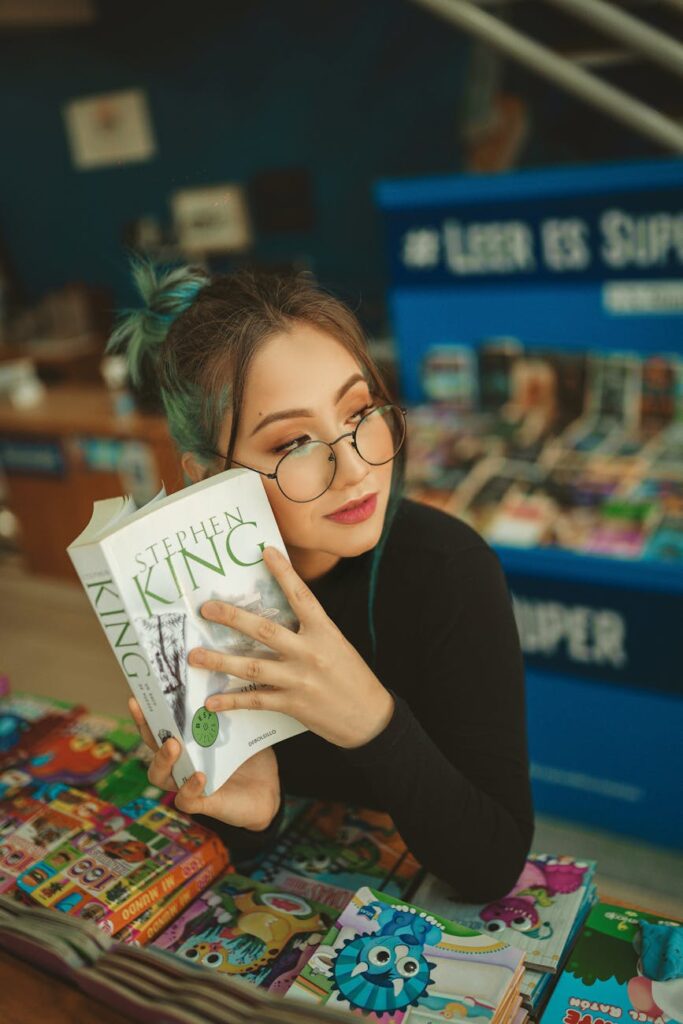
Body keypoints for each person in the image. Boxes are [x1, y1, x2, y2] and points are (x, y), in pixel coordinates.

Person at [111, 262, 533, 901]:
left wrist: (370, 719)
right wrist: (246, 813)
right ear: (205, 477)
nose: (355, 466)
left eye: (359, 410)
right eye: (293, 443)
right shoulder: (189, 603)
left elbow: (493, 866)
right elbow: (246, 848)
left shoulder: (449, 570)